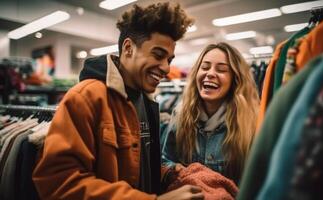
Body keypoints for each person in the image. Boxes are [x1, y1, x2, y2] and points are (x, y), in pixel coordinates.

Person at [32, 2, 205, 200]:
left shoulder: (147, 101)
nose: (166, 68)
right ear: (129, 48)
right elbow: (58, 183)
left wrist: (167, 174)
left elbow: (136, 166)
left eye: (170, 60)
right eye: (158, 55)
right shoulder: (86, 97)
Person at [162, 42, 260, 184]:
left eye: (221, 70)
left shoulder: (251, 121)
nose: (210, 73)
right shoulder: (181, 114)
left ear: (235, 79)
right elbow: (165, 160)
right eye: (205, 67)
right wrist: (176, 169)